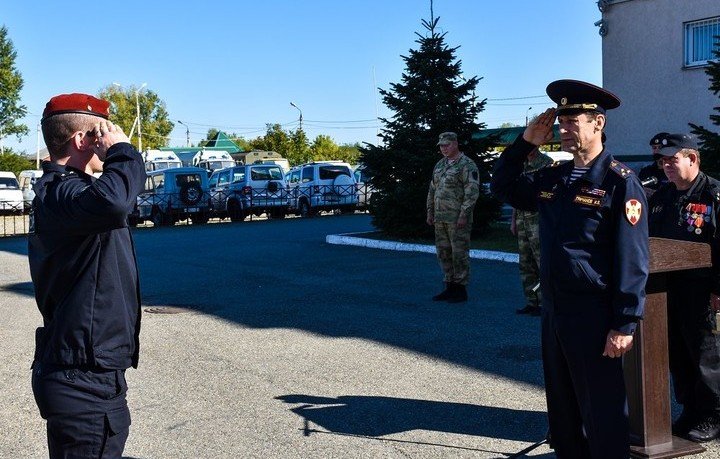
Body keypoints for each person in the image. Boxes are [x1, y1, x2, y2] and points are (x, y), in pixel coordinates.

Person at [491, 79, 649, 458]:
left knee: (603, 407)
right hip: (555, 308)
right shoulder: (553, 179)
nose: (562, 128)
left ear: (598, 123)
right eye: (560, 121)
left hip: (594, 313)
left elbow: (633, 258)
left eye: (571, 120)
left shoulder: (620, 183)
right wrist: (525, 143)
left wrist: (624, 322)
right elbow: (503, 187)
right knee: (562, 406)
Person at [28, 93, 146, 458]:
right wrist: (123, 150)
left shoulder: (71, 195)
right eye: (103, 131)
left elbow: (113, 201)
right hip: (82, 380)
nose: (109, 138)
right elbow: (115, 201)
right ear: (82, 140)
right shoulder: (63, 192)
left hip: (86, 370)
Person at [647, 133, 720, 442]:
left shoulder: (713, 195)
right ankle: (690, 409)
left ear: (693, 159)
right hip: (666, 290)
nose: (666, 166)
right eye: (663, 161)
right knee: (677, 353)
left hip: (703, 291)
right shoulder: (661, 197)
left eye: (672, 160)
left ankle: (713, 414)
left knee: (706, 355)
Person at [426, 131, 480, 303]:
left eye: (447, 145)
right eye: (441, 145)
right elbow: (432, 190)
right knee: (443, 253)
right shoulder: (440, 165)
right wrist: (430, 211)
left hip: (457, 219)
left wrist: (464, 214)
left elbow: (471, 192)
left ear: (455, 143)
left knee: (459, 254)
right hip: (440, 218)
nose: (443, 148)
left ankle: (460, 289)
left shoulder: (467, 164)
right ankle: (449, 286)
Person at [511, 147, 554, 316]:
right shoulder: (521, 165)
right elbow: (516, 195)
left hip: (538, 220)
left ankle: (546, 303)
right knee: (525, 263)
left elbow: (550, 196)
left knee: (542, 262)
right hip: (522, 219)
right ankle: (532, 301)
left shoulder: (547, 163)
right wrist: (513, 220)